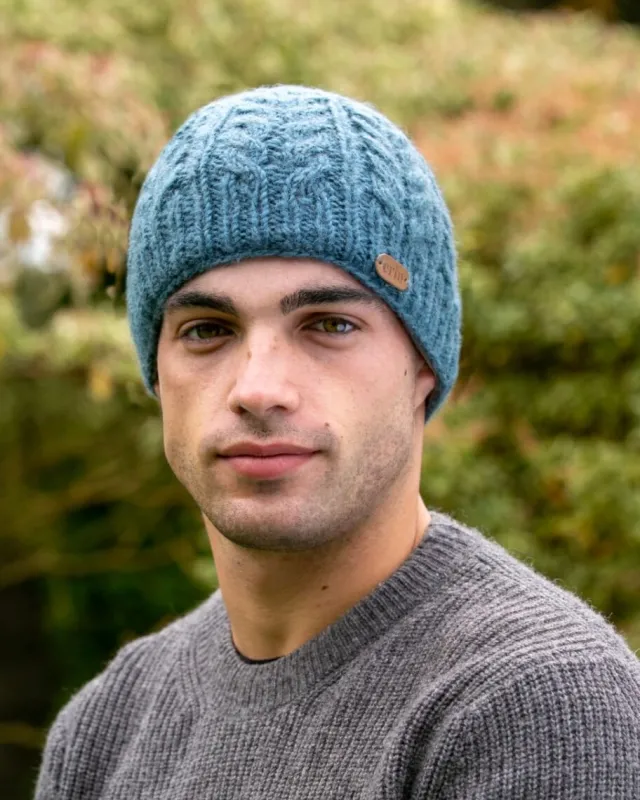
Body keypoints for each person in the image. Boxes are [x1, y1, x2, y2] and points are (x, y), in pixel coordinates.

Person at [35, 85, 640, 800]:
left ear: (423, 366)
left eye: (329, 324)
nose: (259, 388)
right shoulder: (104, 731)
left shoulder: (539, 703)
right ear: (156, 374)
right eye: (207, 330)